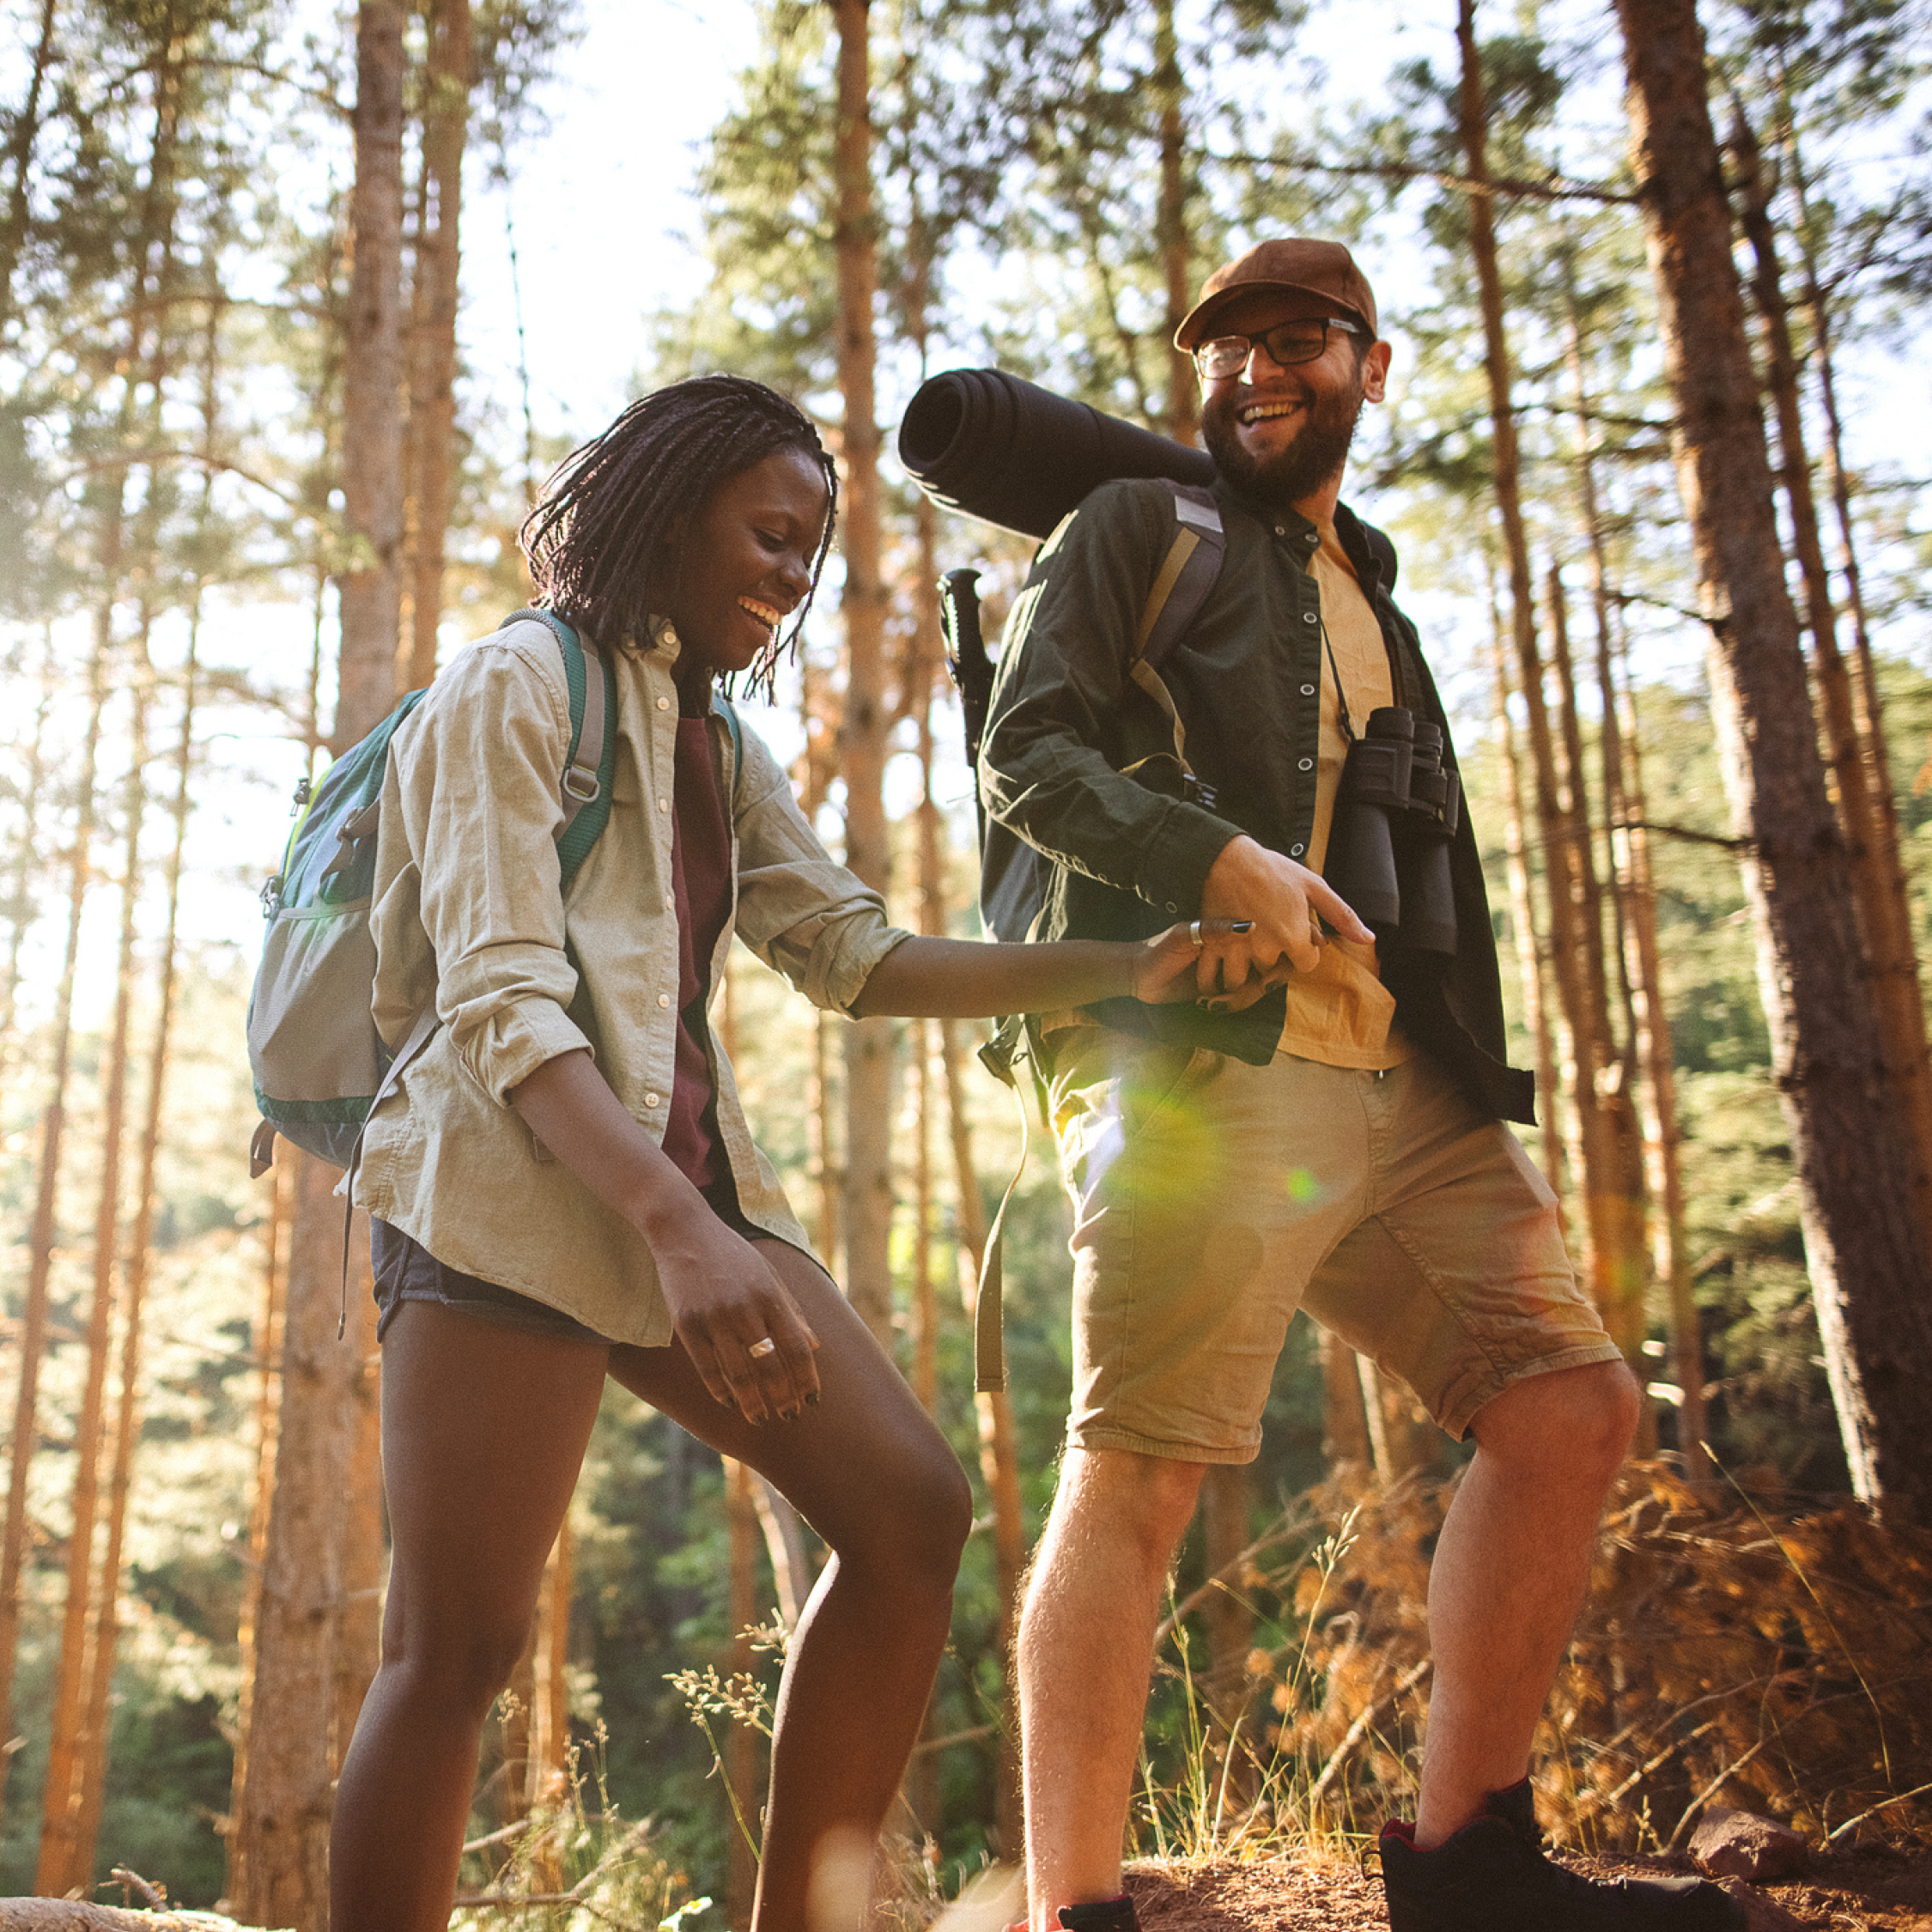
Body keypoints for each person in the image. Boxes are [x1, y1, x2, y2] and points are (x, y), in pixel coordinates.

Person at [335, 374, 1212, 1932]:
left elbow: (856, 953)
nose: (789, 576)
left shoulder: (709, 741)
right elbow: (500, 999)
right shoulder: (510, 684)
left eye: (808, 553)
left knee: (905, 1513)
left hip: (685, 1202)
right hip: (497, 1199)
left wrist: (1123, 970)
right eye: (768, 534)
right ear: (668, 512)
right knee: (457, 1650)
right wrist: (680, 1230)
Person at [976, 241, 1744, 1932]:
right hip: (1197, 1059)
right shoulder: (1130, 532)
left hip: (1398, 1074)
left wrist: (1466, 1047)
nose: (1256, 368)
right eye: (1229, 345)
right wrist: (1210, 857)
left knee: (1569, 1405)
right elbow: (1022, 755)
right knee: (1144, 1464)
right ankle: (1078, 1914)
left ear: (1370, 368)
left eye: (1297, 340)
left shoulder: (1373, 596)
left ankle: (1472, 1867)